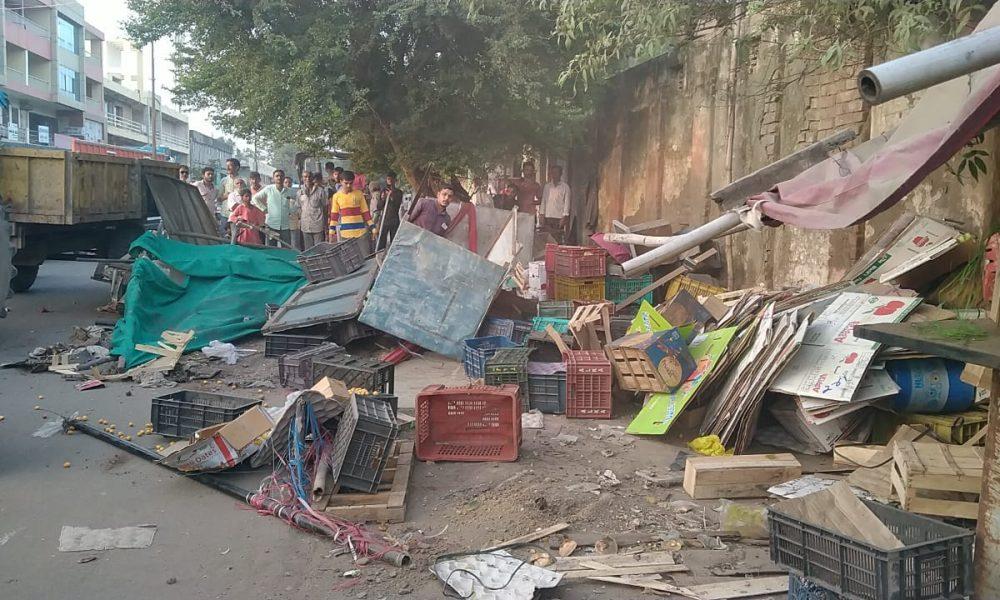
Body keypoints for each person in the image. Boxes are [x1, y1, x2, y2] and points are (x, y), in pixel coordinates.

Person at [328, 170, 374, 246]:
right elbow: (334, 216)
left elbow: (365, 212)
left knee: (365, 257)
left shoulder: (359, 194)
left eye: (351, 183)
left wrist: (372, 226)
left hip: (361, 232)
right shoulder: (336, 196)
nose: (349, 185)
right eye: (346, 183)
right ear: (341, 181)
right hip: (345, 233)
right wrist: (331, 231)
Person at [252, 169, 293, 247]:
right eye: (277, 176)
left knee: (287, 248)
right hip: (271, 225)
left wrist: (292, 210)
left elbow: (298, 200)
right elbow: (255, 198)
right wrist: (264, 209)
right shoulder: (269, 189)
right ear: (273, 178)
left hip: (285, 225)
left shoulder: (289, 191)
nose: (279, 178)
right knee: (271, 248)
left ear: (284, 178)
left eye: (281, 176)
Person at [540, 165, 571, 243]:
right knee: (547, 238)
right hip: (548, 216)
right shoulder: (547, 187)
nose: (554, 175)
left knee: (557, 239)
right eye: (553, 173)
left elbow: (567, 203)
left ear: (560, 174)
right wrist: (541, 214)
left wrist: (564, 217)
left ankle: (557, 254)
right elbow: (543, 201)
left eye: (556, 173)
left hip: (558, 217)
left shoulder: (565, 187)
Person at [298, 171, 327, 250]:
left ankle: (320, 262)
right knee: (308, 249)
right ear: (302, 178)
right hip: (305, 225)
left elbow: (325, 207)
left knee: (319, 248)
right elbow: (299, 207)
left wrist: (326, 224)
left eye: (309, 176)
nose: (307, 179)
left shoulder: (320, 191)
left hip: (318, 224)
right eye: (305, 177)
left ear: (312, 178)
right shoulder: (299, 192)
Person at [375, 171, 404, 250]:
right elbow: (379, 207)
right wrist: (383, 199)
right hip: (384, 219)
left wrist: (391, 197)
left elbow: (397, 205)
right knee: (382, 240)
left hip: (394, 219)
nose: (390, 181)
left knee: (394, 241)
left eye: (391, 179)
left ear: (395, 180)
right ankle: (380, 255)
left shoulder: (399, 192)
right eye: (388, 179)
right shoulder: (383, 191)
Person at [194, 167, 224, 234]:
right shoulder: (197, 185)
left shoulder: (215, 189)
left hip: (210, 217)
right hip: (198, 215)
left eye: (212, 174)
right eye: (208, 174)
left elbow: (216, 202)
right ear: (203, 175)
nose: (211, 176)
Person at [284, 175, 302, 250]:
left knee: (295, 244)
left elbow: (299, 208)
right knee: (285, 244)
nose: (288, 184)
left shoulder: (296, 194)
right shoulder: (280, 194)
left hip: (294, 223)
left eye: (289, 182)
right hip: (284, 224)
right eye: (286, 182)